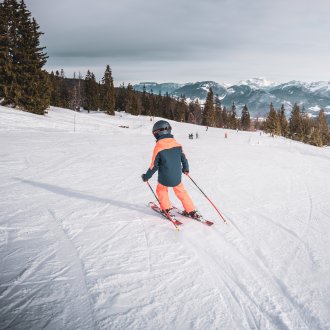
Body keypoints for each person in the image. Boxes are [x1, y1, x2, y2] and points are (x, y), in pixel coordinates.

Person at [141, 120, 200, 219]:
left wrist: (147, 176)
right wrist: (186, 169)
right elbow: (184, 158)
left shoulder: (159, 147)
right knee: (181, 192)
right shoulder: (177, 144)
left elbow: (154, 165)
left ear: (158, 133)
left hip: (164, 178)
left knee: (161, 190)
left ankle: (166, 208)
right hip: (177, 177)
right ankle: (191, 210)